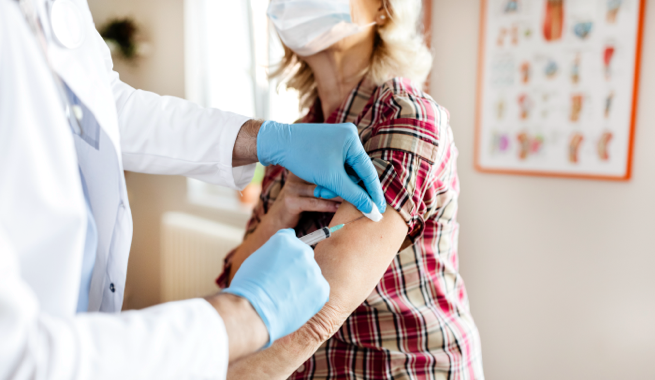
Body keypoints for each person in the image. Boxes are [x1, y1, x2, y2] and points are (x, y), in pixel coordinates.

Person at [0, 0, 387, 378]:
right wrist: (243, 314)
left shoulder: (398, 118)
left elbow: (105, 107)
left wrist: (261, 138)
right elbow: (19, 359)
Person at [221, 0, 484, 378]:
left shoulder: (406, 115)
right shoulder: (294, 137)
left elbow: (323, 307)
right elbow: (235, 278)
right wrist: (281, 210)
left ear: (383, 9)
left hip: (404, 367)